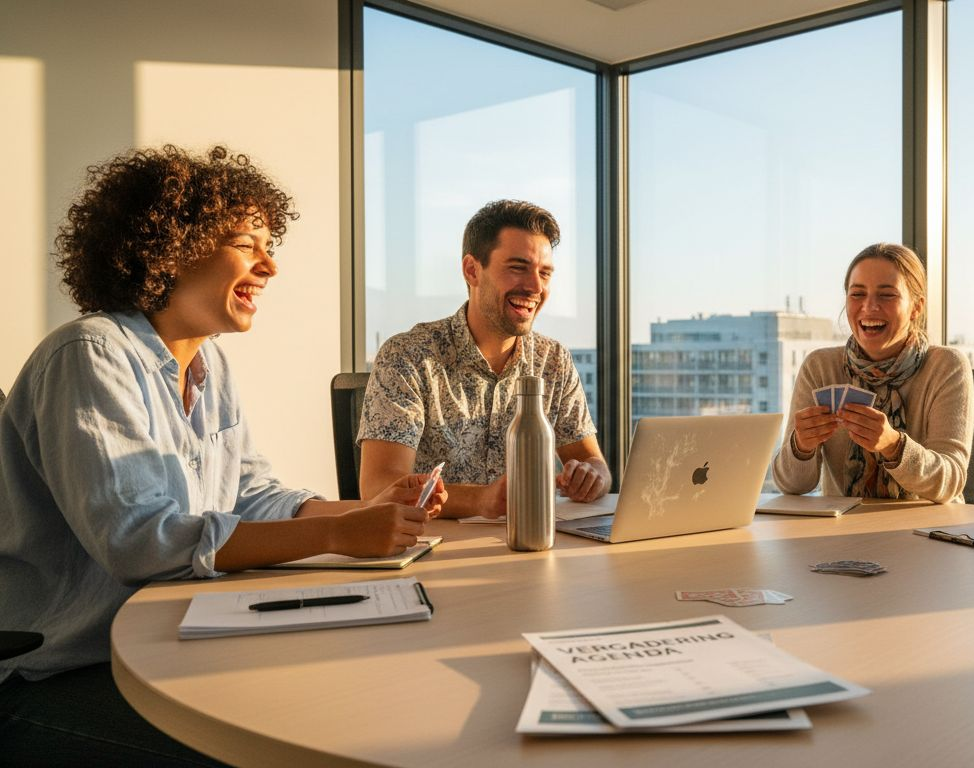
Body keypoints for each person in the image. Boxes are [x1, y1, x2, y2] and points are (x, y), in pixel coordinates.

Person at [0, 145, 436, 762]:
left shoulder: (209, 364)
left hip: (171, 645)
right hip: (61, 674)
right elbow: (140, 541)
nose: (271, 265)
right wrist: (337, 537)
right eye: (247, 243)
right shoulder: (89, 353)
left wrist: (358, 515)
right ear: (172, 246)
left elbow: (255, 495)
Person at [358, 200, 610, 518]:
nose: (535, 287)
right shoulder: (409, 357)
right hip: (432, 553)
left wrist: (593, 477)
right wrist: (481, 500)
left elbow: (593, 462)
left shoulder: (553, 360)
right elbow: (379, 485)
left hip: (536, 548)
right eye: (518, 268)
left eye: (544, 273)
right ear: (472, 270)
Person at [772, 243, 973, 502]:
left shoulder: (947, 366)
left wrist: (893, 445)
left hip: (928, 530)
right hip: (844, 528)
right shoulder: (819, 367)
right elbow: (791, 486)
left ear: (916, 307)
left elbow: (950, 482)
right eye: (857, 294)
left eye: (887, 295)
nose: (869, 306)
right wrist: (801, 447)